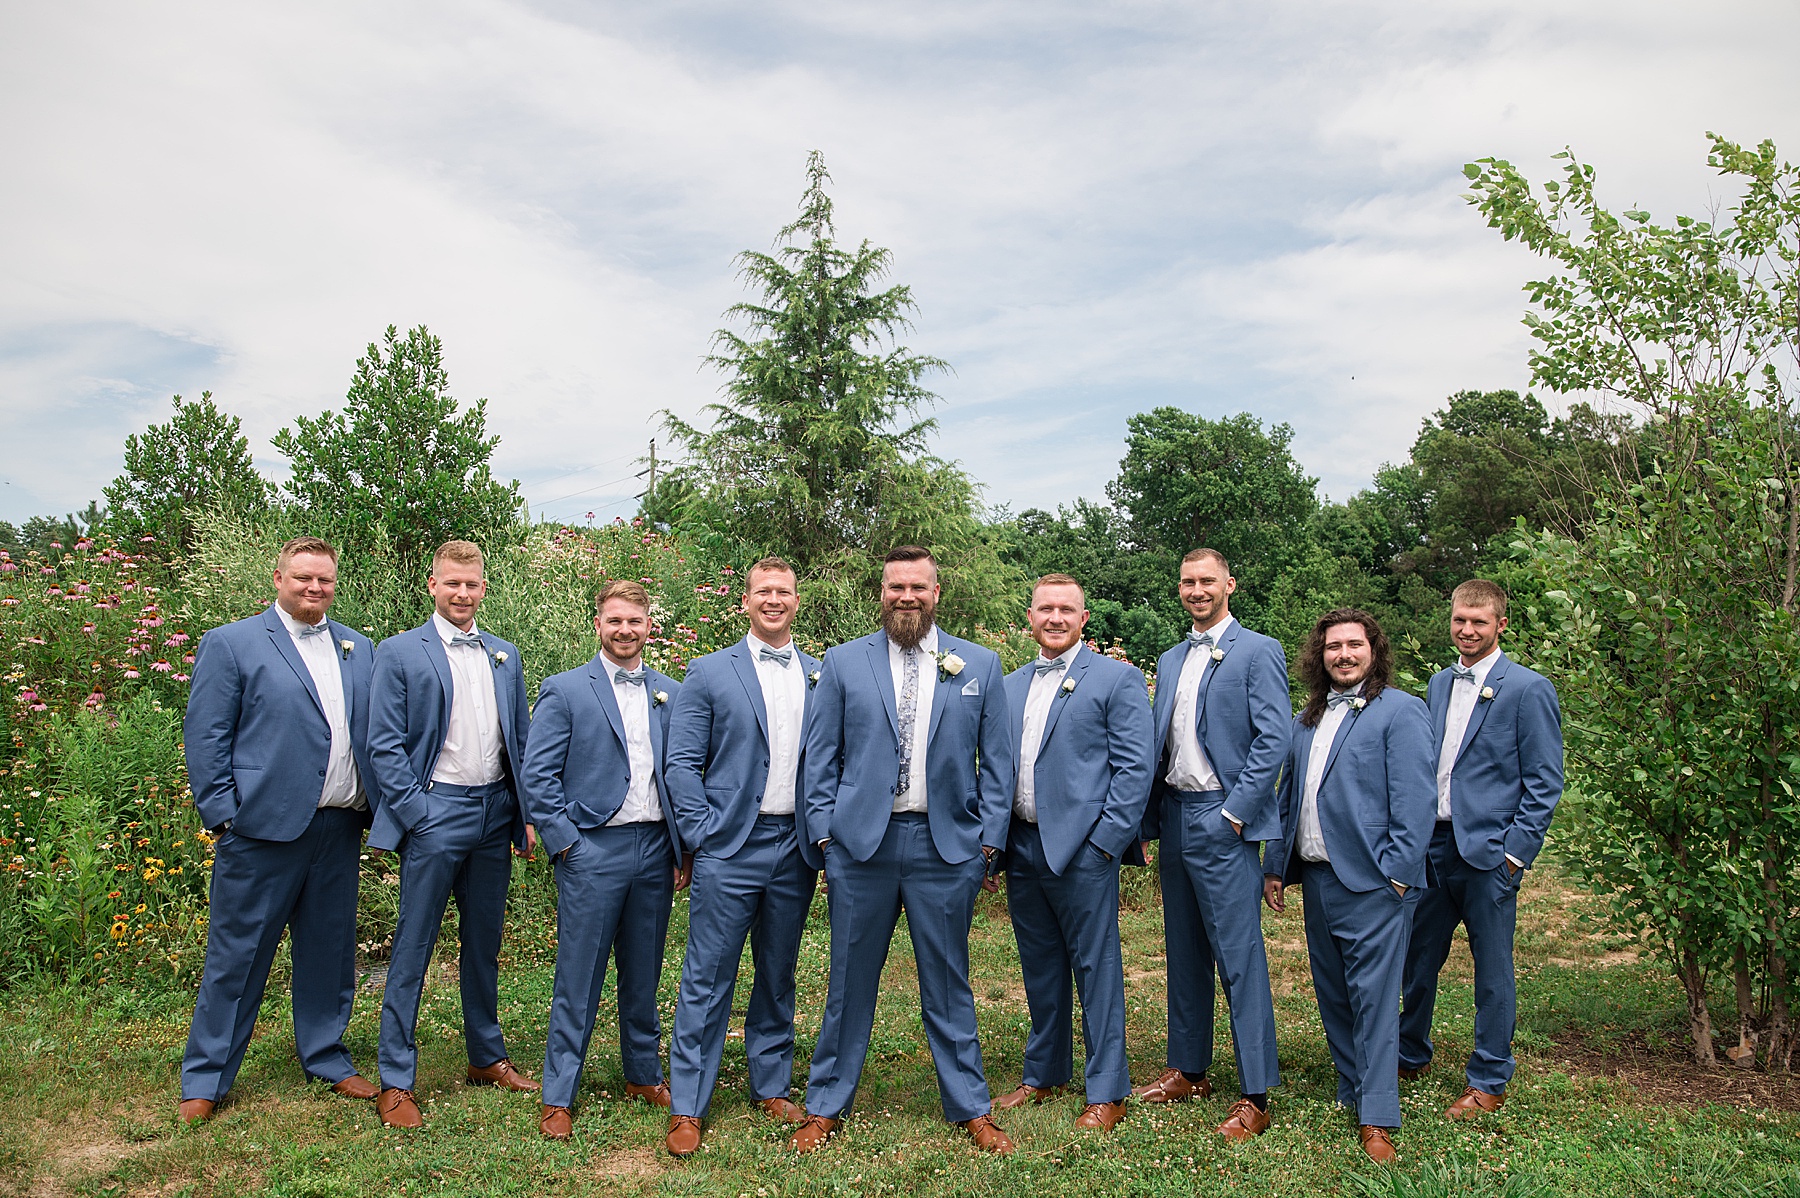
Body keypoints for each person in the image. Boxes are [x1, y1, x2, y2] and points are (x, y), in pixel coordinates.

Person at [790, 546, 1016, 1155]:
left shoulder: (979, 665)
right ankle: (825, 1105)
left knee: (948, 983)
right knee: (847, 984)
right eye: (896, 587)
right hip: (861, 849)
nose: (906, 597)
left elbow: (998, 766)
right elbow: (820, 757)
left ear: (937, 592)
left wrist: (987, 846)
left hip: (946, 851)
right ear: (882, 592)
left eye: (918, 586)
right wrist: (824, 838)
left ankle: (971, 1106)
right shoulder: (842, 663)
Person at [177, 536, 378, 1122]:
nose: (314, 588)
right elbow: (206, 735)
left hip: (338, 828)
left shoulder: (356, 648)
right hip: (260, 831)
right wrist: (223, 815)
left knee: (330, 951)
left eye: (325, 580)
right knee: (236, 956)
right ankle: (207, 1077)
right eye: (303, 578)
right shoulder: (232, 643)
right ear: (279, 578)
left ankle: (326, 1055)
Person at [365, 540, 538, 1129]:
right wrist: (419, 815)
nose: (462, 594)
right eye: (451, 584)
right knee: (413, 944)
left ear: (483, 588)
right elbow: (383, 745)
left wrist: (523, 814)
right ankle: (395, 1078)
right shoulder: (399, 652)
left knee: (484, 942)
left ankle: (485, 1056)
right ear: (432, 585)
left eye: (472, 584)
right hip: (437, 810)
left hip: (494, 815)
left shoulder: (504, 656)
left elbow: (519, 740)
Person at [662, 556, 823, 1156]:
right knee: (707, 976)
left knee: (778, 970)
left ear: (795, 600)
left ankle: (772, 1081)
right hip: (729, 845)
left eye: (783, 591)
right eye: (763, 591)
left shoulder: (819, 674)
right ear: (746, 600)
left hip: (796, 847)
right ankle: (688, 1102)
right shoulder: (707, 672)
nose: (773, 600)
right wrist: (701, 834)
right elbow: (680, 763)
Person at [1263, 609, 1435, 1163]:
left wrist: (1398, 876)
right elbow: (1289, 795)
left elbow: (1416, 802)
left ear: (1374, 650)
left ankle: (1378, 1116)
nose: (1343, 654)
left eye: (1353, 645)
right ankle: (1352, 1085)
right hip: (1315, 876)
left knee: (1376, 999)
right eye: (1333, 646)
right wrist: (1275, 865)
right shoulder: (1307, 716)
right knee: (1333, 992)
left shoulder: (1402, 711)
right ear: (1320, 655)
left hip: (1375, 883)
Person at [522, 580, 689, 1140]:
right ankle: (559, 1093)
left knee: (644, 970)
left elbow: (684, 771)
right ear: (599, 624)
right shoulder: (566, 689)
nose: (625, 631)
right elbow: (537, 776)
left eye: (634, 622)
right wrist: (566, 842)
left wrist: (681, 846)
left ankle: (642, 1073)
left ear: (648, 626)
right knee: (579, 973)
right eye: (615, 621)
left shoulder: (671, 691)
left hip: (654, 849)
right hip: (593, 847)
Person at [1135, 548, 1290, 1140]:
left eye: (1207, 580)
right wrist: (1148, 824)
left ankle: (1255, 1092)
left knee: (1239, 957)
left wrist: (1233, 814)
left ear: (1230, 583)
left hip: (1221, 818)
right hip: (1174, 815)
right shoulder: (1172, 657)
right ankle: (1189, 1070)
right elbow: (1160, 744)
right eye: (1187, 582)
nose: (1197, 590)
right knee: (1184, 950)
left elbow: (1272, 739)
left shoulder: (1258, 650)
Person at [991, 574, 1152, 1132]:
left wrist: (1105, 843)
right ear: (1030, 617)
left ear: (1084, 619)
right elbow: (992, 770)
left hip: (1085, 849)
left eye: (1067, 610)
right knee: (1039, 967)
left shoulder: (1117, 679)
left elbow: (1136, 769)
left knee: (1095, 967)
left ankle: (1107, 1088)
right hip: (1023, 846)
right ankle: (1045, 1073)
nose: (1055, 618)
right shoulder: (1008, 685)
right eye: (1045, 609)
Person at [1399, 580, 1563, 1119]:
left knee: (1492, 971)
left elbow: (1545, 781)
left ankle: (1490, 1077)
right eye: (1459, 621)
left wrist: (1516, 854)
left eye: (1479, 622)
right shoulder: (1439, 683)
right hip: (1434, 848)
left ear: (1500, 625)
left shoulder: (1529, 688)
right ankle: (1409, 1052)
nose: (1467, 631)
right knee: (1417, 960)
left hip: (1491, 854)